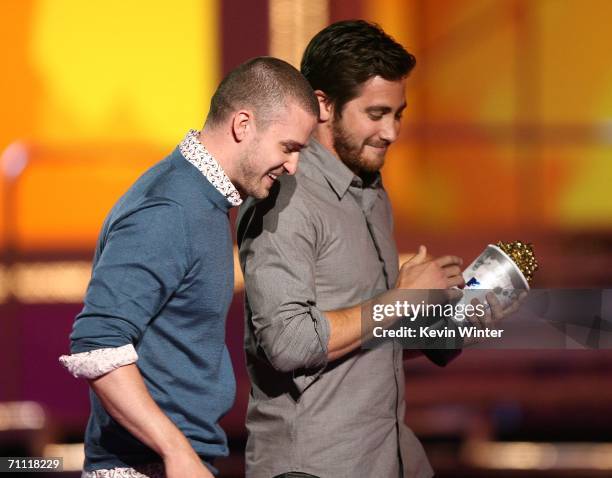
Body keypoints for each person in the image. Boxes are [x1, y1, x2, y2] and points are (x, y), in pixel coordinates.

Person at [238, 21, 515, 478]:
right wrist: (400, 299)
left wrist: (457, 316)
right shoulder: (285, 196)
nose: (392, 132)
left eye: (399, 114)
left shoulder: (372, 192)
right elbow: (288, 345)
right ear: (323, 105)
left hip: (387, 458)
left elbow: (369, 342)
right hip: (315, 466)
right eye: (376, 114)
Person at [59, 56, 318, 478]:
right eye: (288, 147)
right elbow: (97, 345)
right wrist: (176, 451)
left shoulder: (204, 201)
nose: (293, 166)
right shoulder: (171, 208)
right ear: (242, 125)